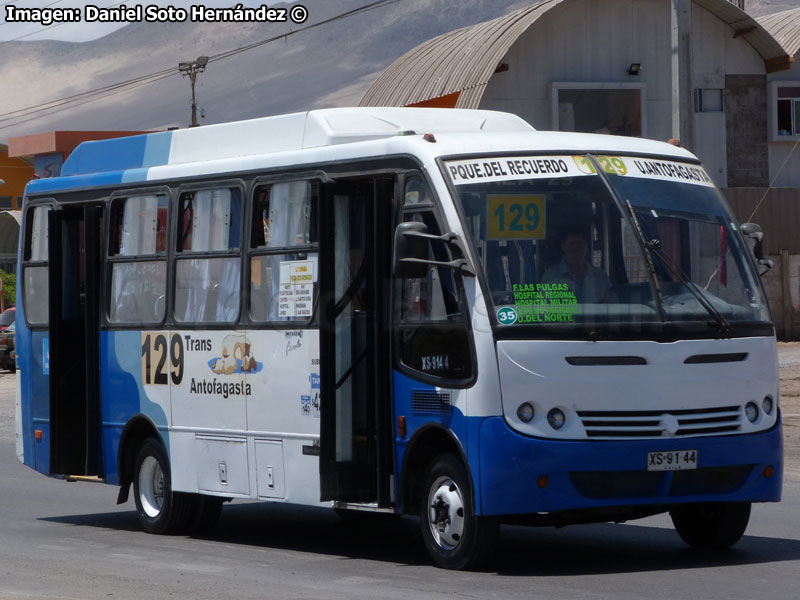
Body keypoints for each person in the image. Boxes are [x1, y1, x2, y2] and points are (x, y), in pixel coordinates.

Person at [542, 228, 611, 303]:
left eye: (580, 243)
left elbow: (611, 306)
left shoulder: (600, 276)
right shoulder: (551, 276)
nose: (576, 248)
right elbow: (543, 309)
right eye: (571, 243)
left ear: (586, 246)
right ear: (563, 246)